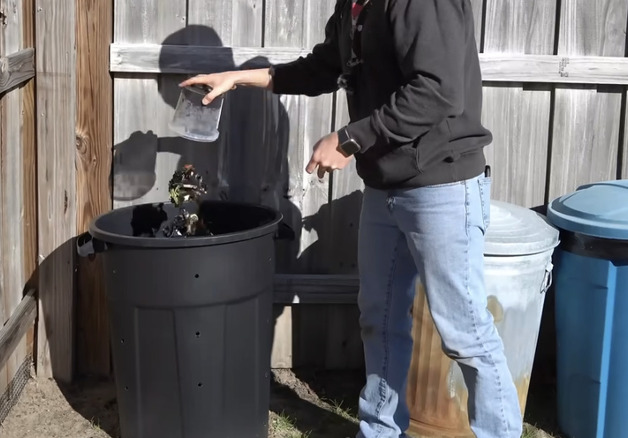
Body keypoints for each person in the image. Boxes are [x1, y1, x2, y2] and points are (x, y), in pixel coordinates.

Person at [179, 0, 522, 437]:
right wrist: (240, 78)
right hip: (385, 188)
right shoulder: (354, 6)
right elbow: (323, 67)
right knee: (379, 319)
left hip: (443, 186)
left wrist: (348, 139)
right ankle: (379, 430)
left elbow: (437, 90)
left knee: (464, 331)